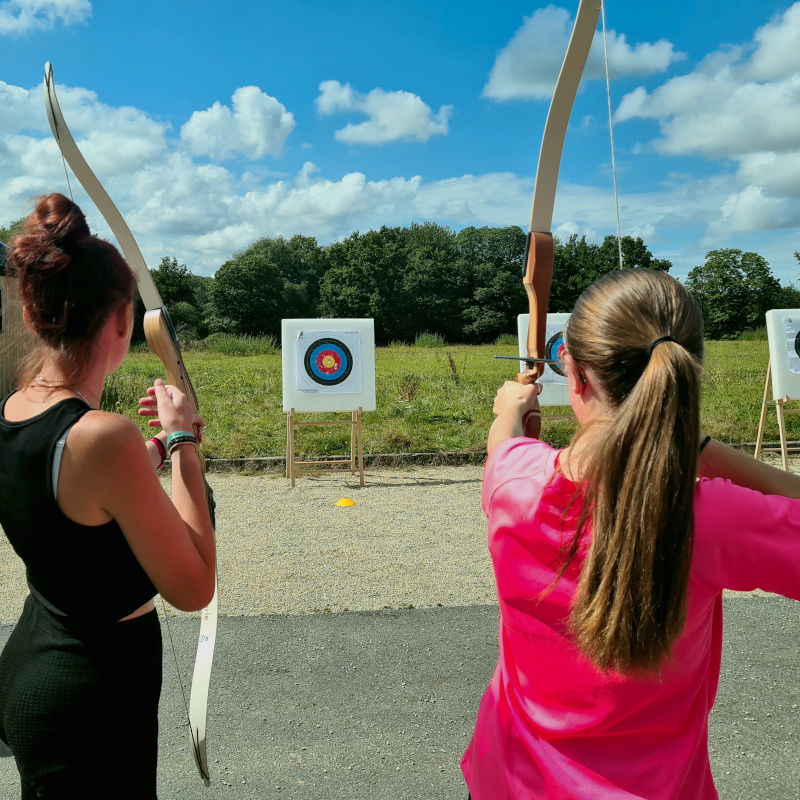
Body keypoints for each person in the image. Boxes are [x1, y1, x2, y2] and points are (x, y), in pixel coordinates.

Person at [462, 269, 800, 799]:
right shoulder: (709, 516)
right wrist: (697, 443)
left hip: (508, 783)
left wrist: (509, 408)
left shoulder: (513, 484)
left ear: (573, 376)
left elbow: (501, 446)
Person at [0, 193, 216, 799]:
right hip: (90, 689)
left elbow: (69, 502)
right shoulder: (103, 436)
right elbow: (194, 586)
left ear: (32, 313)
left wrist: (150, 454)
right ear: (124, 322)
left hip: (42, 659)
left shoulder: (16, 411)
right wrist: (179, 442)